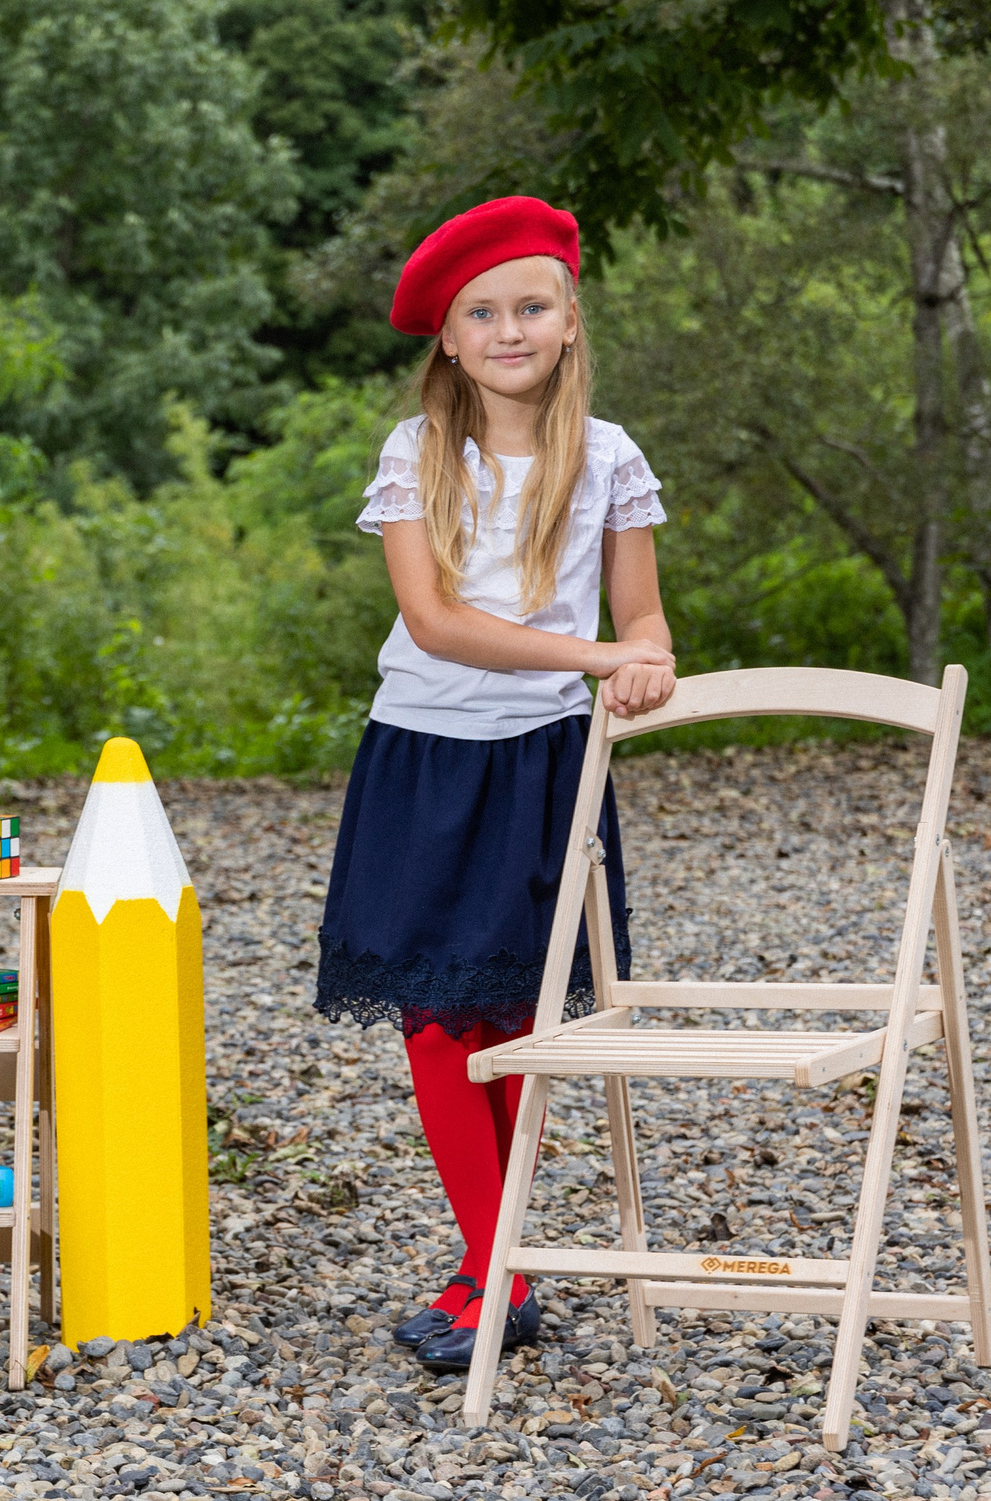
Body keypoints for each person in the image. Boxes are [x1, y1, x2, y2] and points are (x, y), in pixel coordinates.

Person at [313, 195, 677, 1374]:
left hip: (541, 764)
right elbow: (436, 620)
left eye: (531, 305)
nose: (509, 327)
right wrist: (598, 660)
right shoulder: (418, 454)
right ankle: (495, 1265)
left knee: (514, 1020)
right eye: (483, 312)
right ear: (450, 341)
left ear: (570, 321)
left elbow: (641, 615)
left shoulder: (610, 456)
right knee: (433, 1018)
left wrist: (648, 659)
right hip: (422, 754)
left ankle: (489, 1273)